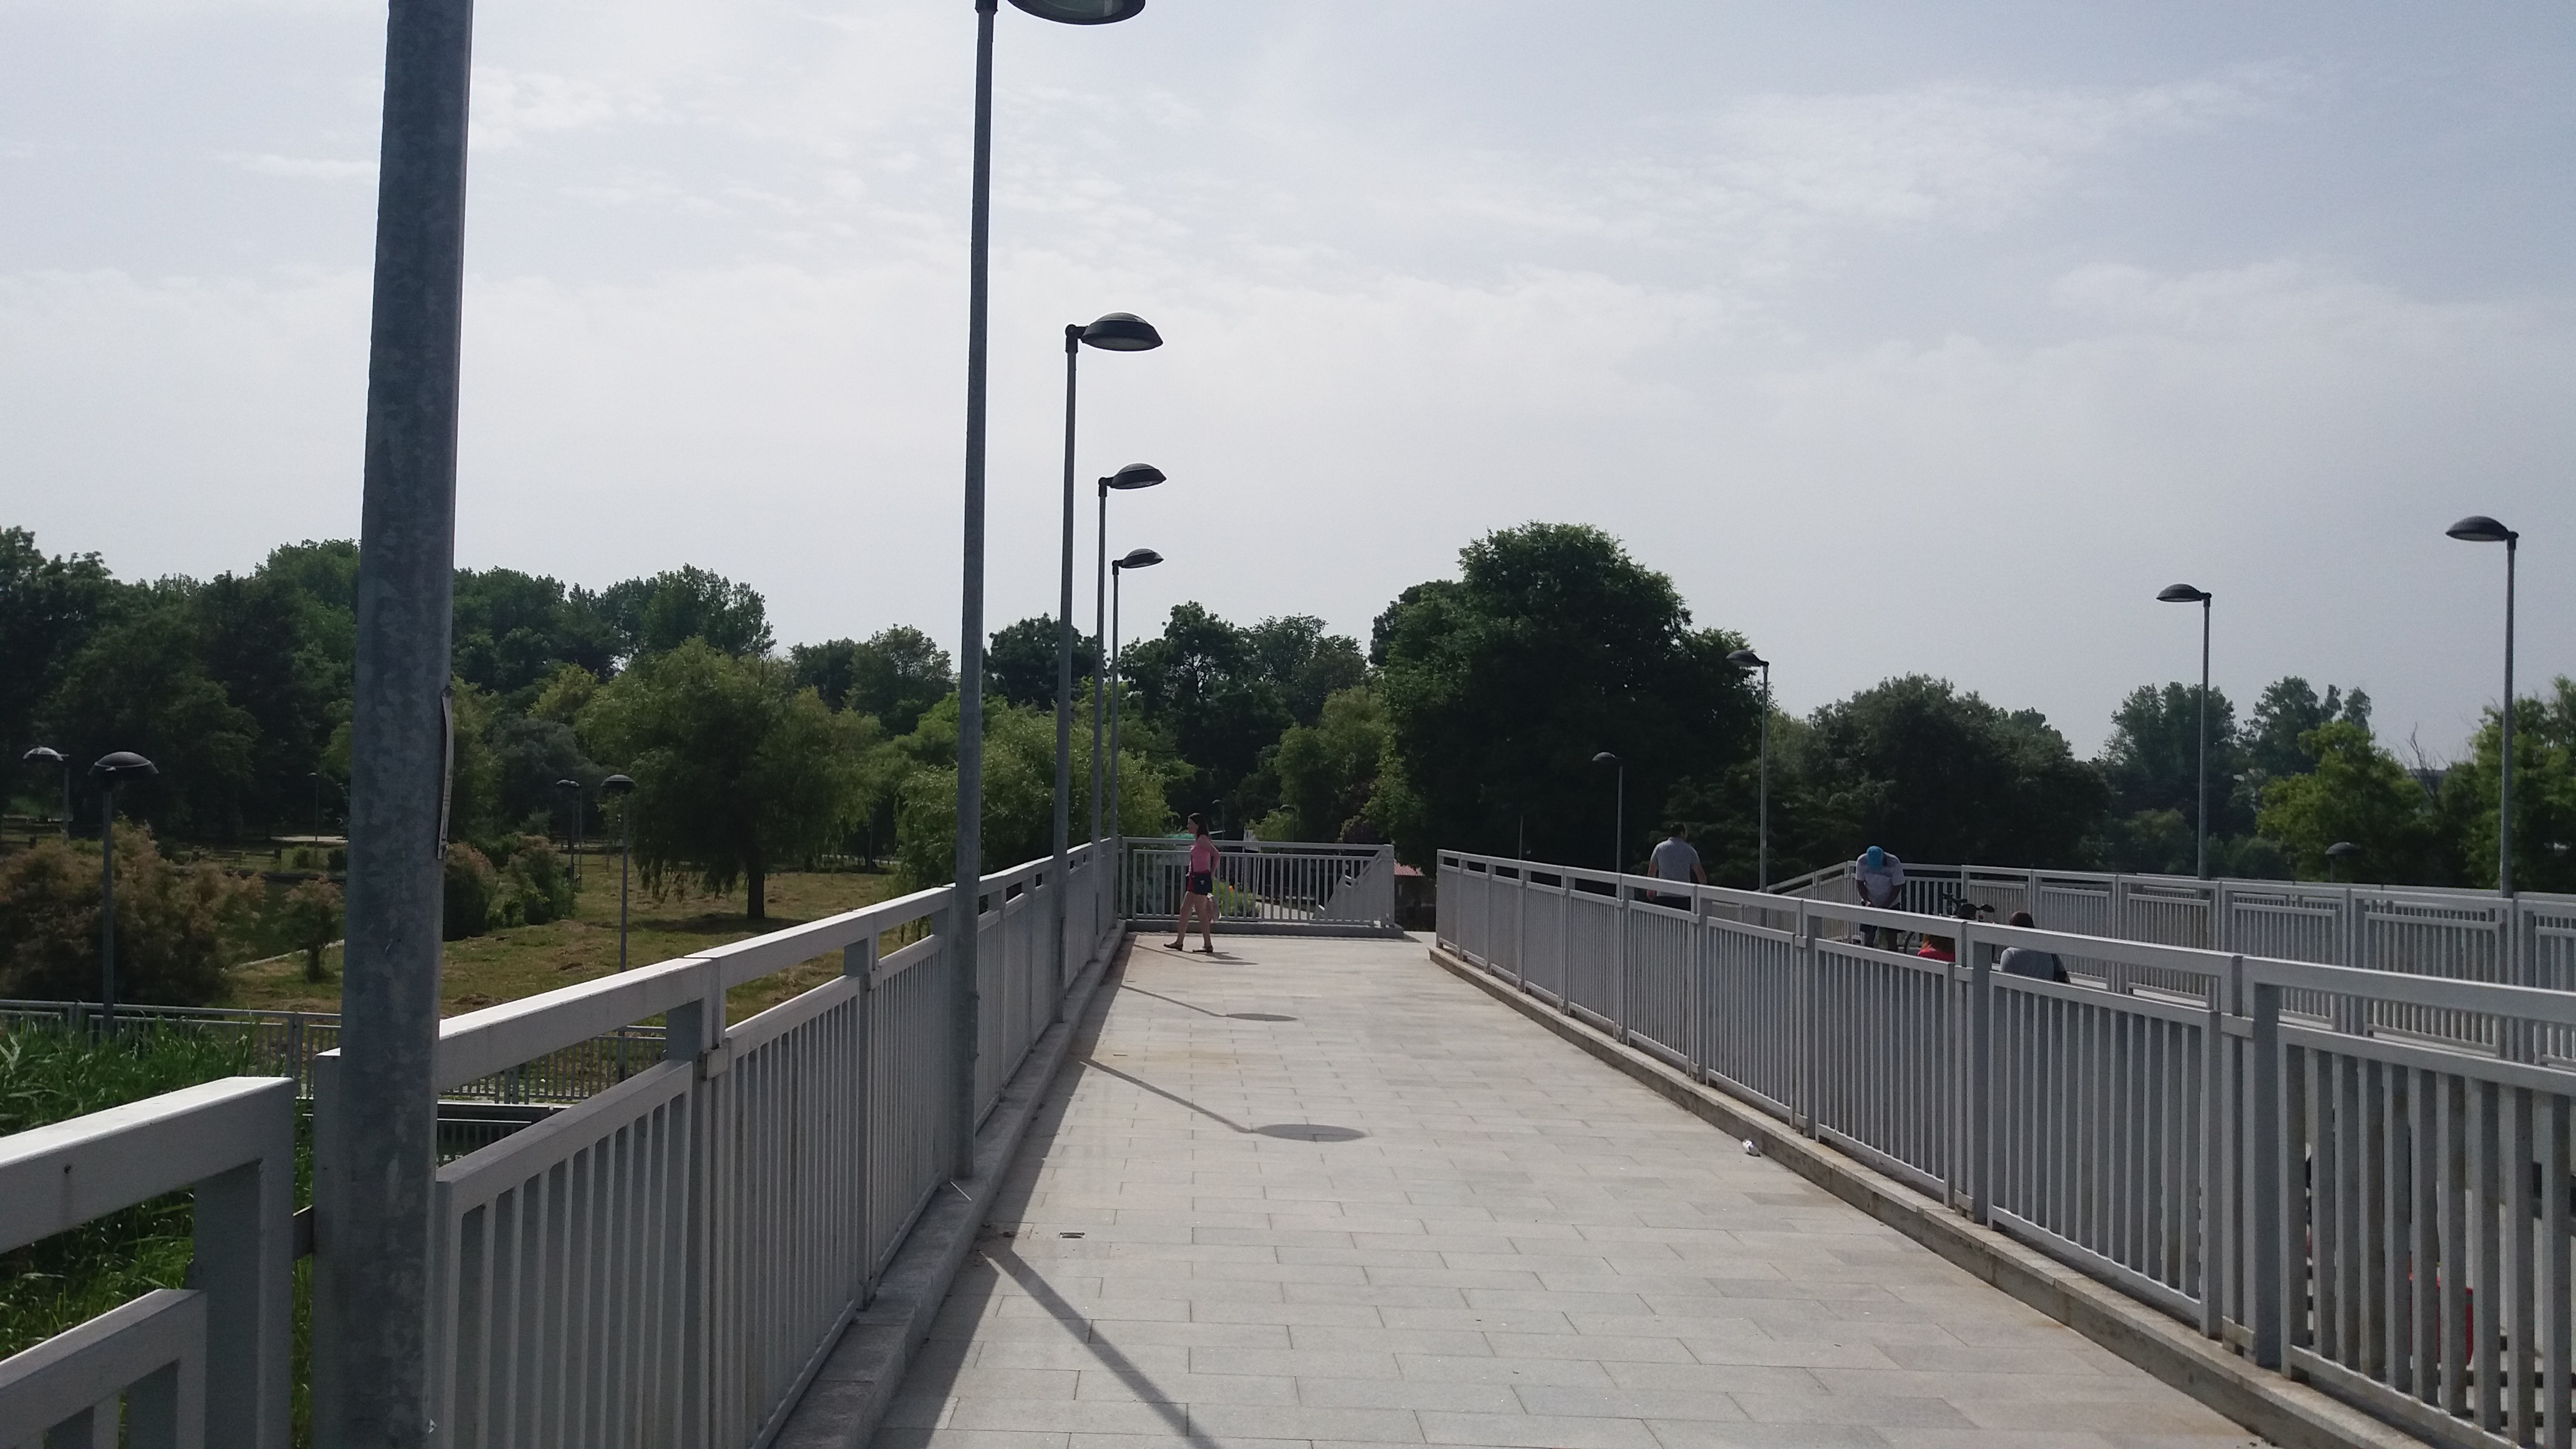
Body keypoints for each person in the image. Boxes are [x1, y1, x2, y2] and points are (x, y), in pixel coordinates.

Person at [1169, 814, 1219, 954]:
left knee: (1201, 911)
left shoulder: (1202, 839)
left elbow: (1216, 855)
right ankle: (1179, 942)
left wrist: (1212, 873)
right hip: (1194, 877)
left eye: (1190, 824)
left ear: (1197, 825)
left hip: (1201, 878)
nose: (1188, 826)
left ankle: (1208, 944)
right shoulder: (1198, 839)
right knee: (1185, 909)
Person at [1997, 909, 2069, 983]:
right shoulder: (2049, 951)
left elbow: (2004, 984)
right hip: (2047, 990)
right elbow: (2065, 979)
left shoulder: (2010, 954)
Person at [1853, 845, 1905, 948]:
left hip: (1891, 903)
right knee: (1868, 937)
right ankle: (1868, 957)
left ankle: (1893, 957)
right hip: (1870, 902)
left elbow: (1897, 887)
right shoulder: (1861, 861)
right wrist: (1867, 901)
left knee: (1891, 938)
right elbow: (1860, 884)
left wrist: (1886, 904)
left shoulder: (1894, 862)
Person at [1647, 823, 1704, 907]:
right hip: (1683, 895)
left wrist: (1650, 889)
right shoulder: (1690, 850)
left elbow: (1652, 871)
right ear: (1682, 833)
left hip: (1663, 894)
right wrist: (1704, 892)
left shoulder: (1660, 848)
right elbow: (1700, 873)